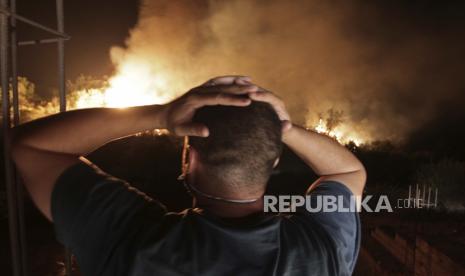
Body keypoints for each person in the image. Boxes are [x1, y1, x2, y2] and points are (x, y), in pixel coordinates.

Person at [11, 76, 366, 276]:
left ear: (188, 157)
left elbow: (33, 146)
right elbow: (346, 170)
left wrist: (163, 115)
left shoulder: (130, 239)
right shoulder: (320, 252)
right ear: (273, 161)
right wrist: (281, 128)